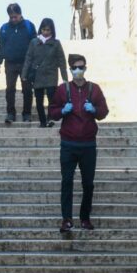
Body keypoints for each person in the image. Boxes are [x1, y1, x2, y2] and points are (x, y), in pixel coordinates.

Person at [48, 53, 109, 233]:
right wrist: (62, 111)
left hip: (88, 144)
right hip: (68, 143)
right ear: (70, 69)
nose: (78, 71)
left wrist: (95, 109)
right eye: (75, 67)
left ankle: (85, 218)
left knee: (88, 183)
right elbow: (52, 112)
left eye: (81, 67)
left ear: (86, 68)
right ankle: (66, 219)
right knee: (67, 181)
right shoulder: (63, 89)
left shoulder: (94, 89)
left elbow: (104, 111)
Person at [20, 17, 68, 128]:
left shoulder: (56, 43)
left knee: (52, 99)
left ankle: (50, 118)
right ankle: (42, 121)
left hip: (51, 75)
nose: (46, 32)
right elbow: (28, 58)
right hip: (37, 76)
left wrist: (64, 77)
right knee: (39, 101)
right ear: (40, 29)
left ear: (52, 31)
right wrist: (24, 74)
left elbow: (62, 61)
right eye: (44, 29)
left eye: (48, 30)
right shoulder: (34, 42)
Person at [0, 2, 37, 124]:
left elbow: (35, 44)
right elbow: (0, 46)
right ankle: (10, 113)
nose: (13, 19)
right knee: (10, 89)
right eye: (11, 17)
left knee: (27, 89)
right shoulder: (4, 28)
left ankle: (27, 113)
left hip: (26, 63)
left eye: (15, 16)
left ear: (20, 14)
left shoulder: (29, 26)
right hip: (10, 63)